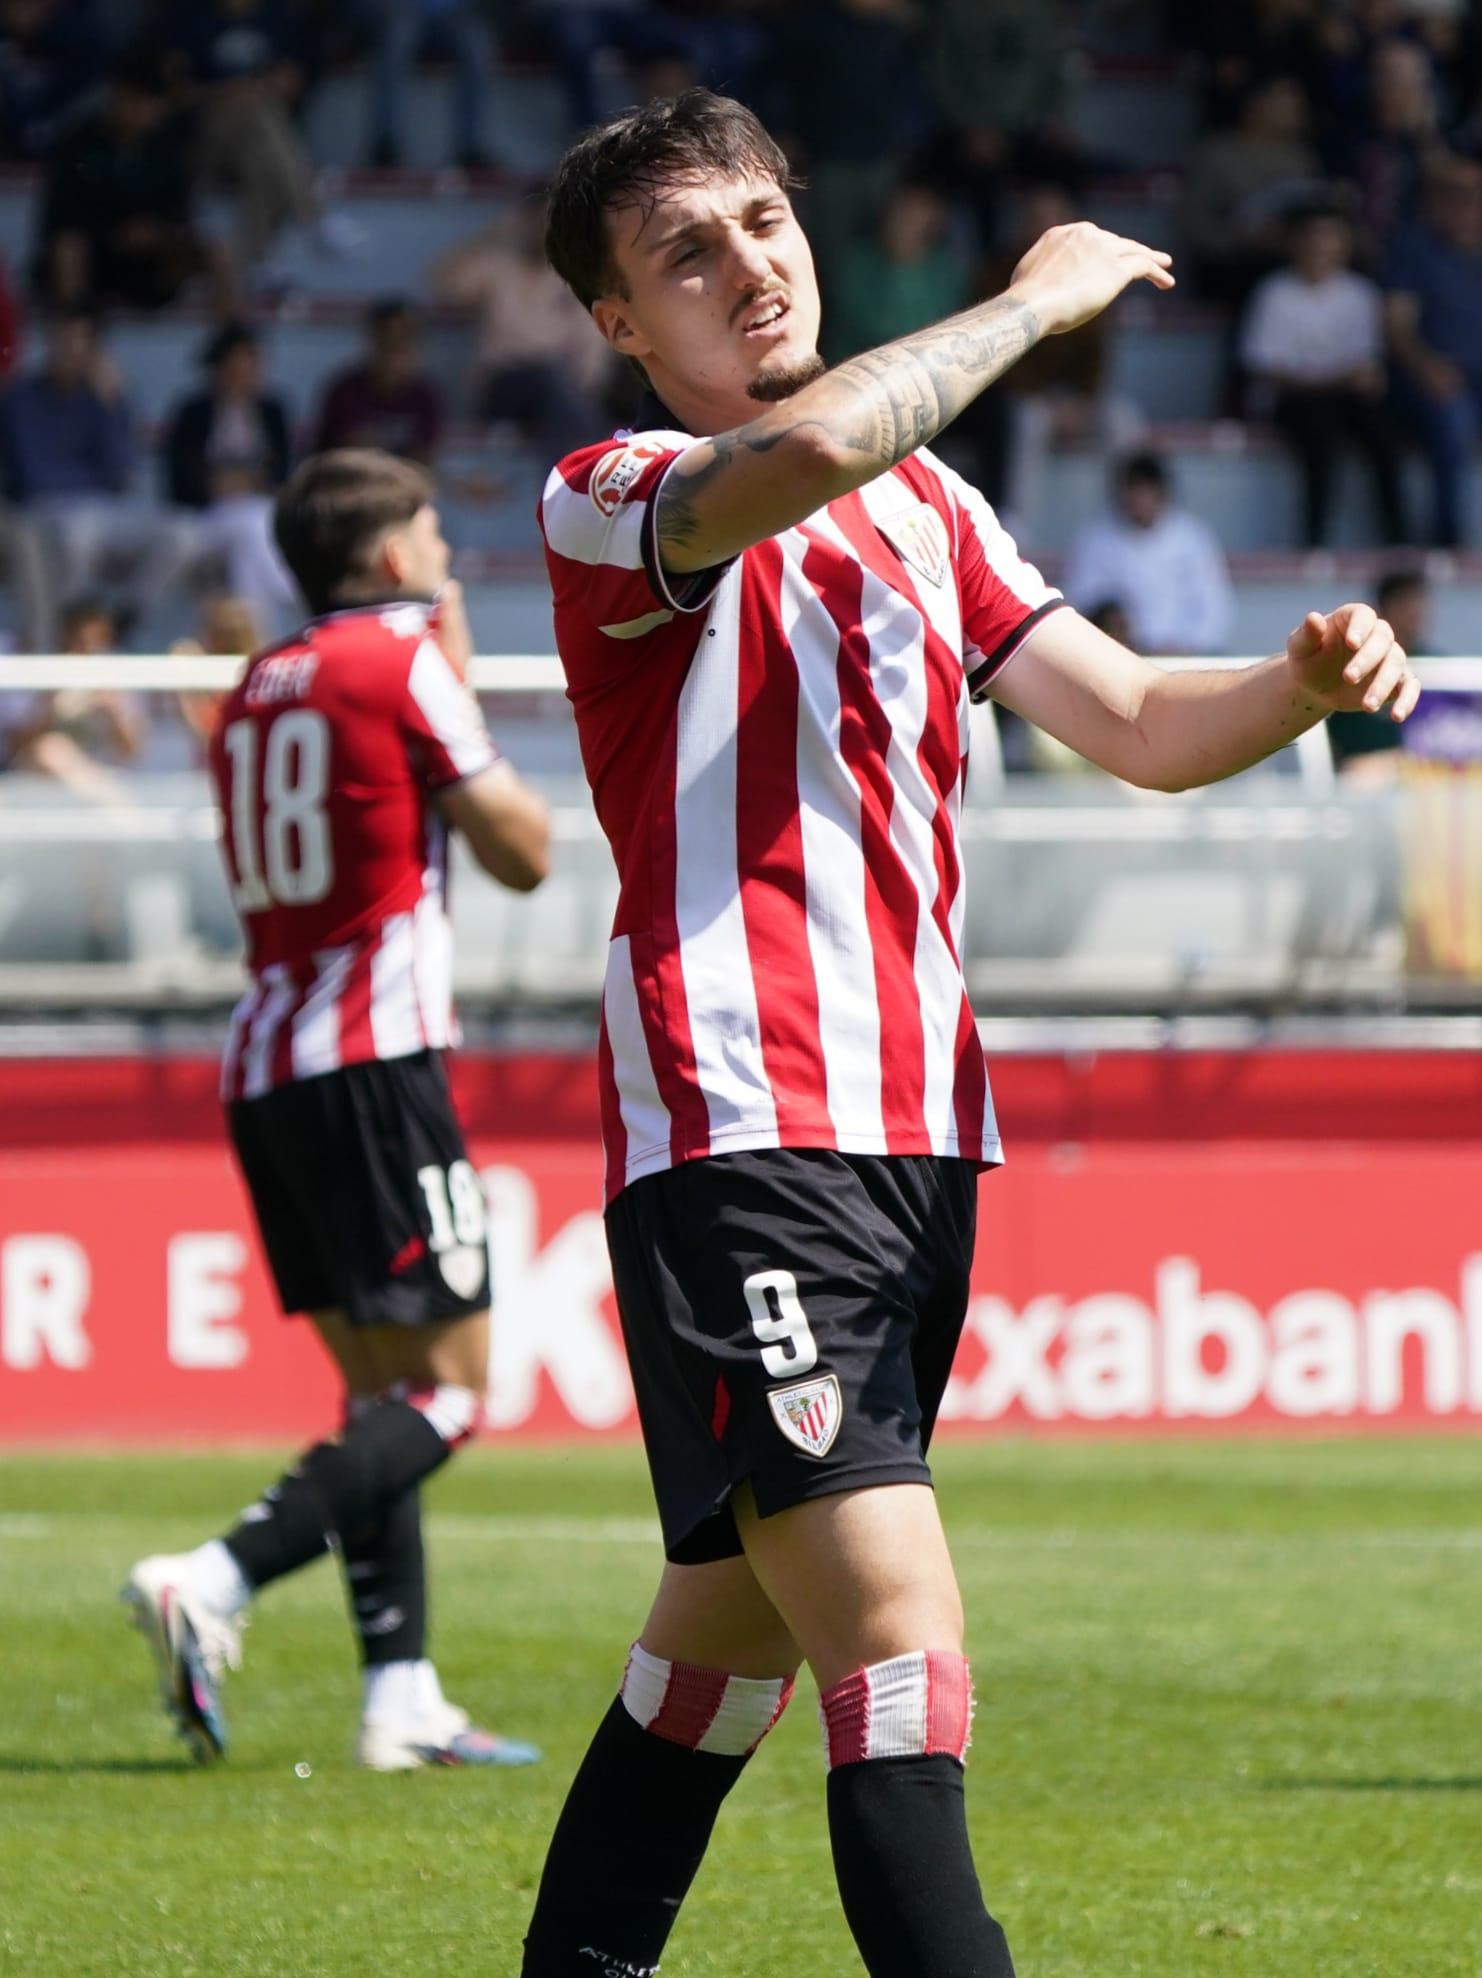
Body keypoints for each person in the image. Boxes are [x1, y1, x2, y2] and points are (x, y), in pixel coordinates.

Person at [524, 88, 1419, 1977]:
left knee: (717, 1657)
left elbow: (1143, 726)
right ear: (619, 323)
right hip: (745, 1121)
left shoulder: (932, 509)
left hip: (920, 1137)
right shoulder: (610, 494)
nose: (749, 264)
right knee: (898, 1651)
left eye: (764, 220)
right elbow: (813, 441)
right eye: (686, 254)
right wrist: (1033, 301)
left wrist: (1302, 681)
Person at [122, 448, 552, 1771]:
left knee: (379, 1393)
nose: (447, 554)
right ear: (394, 557)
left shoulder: (258, 683)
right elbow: (524, 853)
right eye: (435, 534)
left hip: (268, 1064)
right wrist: (456, 682)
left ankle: (399, 1697)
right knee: (452, 1394)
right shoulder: (400, 660)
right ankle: (215, 1574)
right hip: (375, 1060)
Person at [0, 305, 196, 629]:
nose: (71, 350)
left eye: (81, 341)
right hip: (45, 508)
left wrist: (112, 404)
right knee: (79, 532)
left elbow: (120, 473)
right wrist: (89, 479)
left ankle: (124, 618)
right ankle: (70, 631)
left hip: (105, 508)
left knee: (183, 533)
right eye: (64, 340)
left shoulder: (106, 395)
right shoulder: (21, 398)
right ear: (50, 343)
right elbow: (33, 475)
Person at [1240, 205, 1408, 547]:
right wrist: (1333, 380)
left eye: (1330, 237)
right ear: (1294, 243)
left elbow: (1367, 370)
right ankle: (1313, 545)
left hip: (1344, 399)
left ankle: (1398, 540)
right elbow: (1267, 371)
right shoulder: (1274, 293)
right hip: (1292, 401)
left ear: (1346, 244)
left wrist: (1338, 380)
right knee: (1320, 437)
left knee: (1384, 437)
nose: (1320, 246)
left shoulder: (1360, 293)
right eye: (1312, 236)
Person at [35, 46, 222, 313]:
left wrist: (158, 232)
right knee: (69, 248)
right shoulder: (78, 142)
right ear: (118, 95)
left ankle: (228, 333)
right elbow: (58, 219)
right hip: (94, 254)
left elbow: (180, 210)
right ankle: (74, 323)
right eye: (137, 99)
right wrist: (114, 233)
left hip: (146, 260)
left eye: (152, 102)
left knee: (215, 249)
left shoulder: (166, 148)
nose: (145, 111)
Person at [428, 206, 614, 459]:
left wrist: (578, 390)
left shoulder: (573, 278)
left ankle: (570, 464)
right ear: (524, 224)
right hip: (502, 385)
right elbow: (443, 285)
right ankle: (582, 468)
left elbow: (591, 358)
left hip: (556, 392)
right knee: (550, 383)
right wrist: (494, 234)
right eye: (537, 223)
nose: (543, 231)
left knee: (560, 390)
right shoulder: (497, 267)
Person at [162, 321, 299, 636]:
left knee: (248, 546)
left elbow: (281, 474)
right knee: (253, 524)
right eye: (234, 367)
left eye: (249, 366)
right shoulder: (193, 412)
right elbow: (178, 481)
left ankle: (256, 639)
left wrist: (248, 483)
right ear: (218, 368)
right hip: (205, 518)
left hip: (259, 514)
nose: (242, 376)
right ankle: (293, 590)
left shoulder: (272, 411)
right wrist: (217, 485)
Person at [1384, 150, 1482, 546]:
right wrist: (1425, 366)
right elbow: (1396, 323)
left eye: (1475, 192)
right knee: (1453, 419)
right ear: (1433, 197)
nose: (1467, 203)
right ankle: (1449, 539)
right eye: (1454, 192)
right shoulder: (1413, 246)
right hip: (1430, 376)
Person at [1063, 451, 1237, 656]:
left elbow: (1215, 609)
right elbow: (1084, 603)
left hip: (1186, 660)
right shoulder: (1094, 540)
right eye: (1133, 491)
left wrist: (1184, 647)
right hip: (1119, 659)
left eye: (1147, 491)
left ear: (1162, 492)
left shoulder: (1193, 538)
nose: (1140, 501)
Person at [1182, 75, 1323, 302]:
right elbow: (1195, 225)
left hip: (1294, 264)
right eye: (1285, 102)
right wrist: (1243, 240)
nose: (1296, 109)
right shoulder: (1217, 154)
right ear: (1256, 105)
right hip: (1231, 268)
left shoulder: (1301, 157)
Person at [313, 298, 446, 467]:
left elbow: (424, 460)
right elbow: (351, 458)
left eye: (407, 337)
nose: (398, 348)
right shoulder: (345, 392)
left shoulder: (426, 396)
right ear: (373, 340)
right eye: (389, 338)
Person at [367, 0, 496, 171]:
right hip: (403, 12)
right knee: (396, 38)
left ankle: (470, 146)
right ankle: (386, 142)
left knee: (477, 46)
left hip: (456, 15)